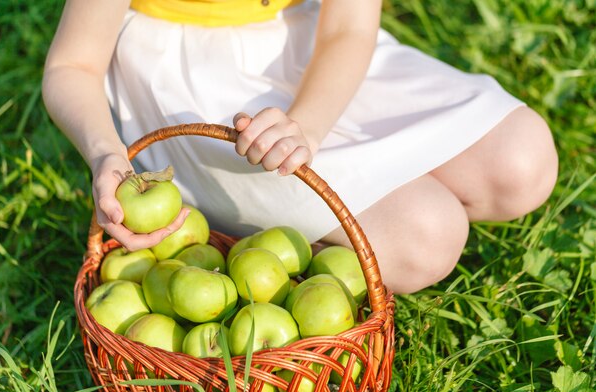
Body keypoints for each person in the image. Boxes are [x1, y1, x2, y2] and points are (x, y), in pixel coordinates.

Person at [42, 0, 558, 294]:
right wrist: (107, 153)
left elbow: (349, 28)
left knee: (523, 162)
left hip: (313, 51)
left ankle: (297, 224)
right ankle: (244, 254)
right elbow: (73, 66)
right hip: (190, 81)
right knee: (428, 236)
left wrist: (308, 126)